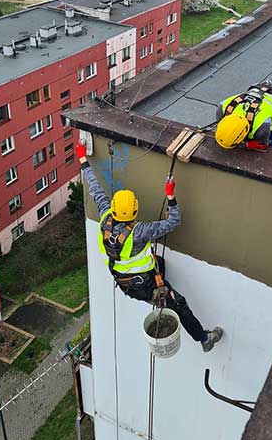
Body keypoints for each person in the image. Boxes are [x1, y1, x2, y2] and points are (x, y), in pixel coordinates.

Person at [75, 141, 223, 353]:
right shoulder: (140, 231)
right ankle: (204, 338)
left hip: (124, 282)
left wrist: (83, 159)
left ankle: (160, 286)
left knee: (159, 263)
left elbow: (94, 187)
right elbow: (174, 222)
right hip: (143, 286)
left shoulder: (105, 215)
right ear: (135, 210)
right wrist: (170, 196)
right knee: (178, 303)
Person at [215, 81, 272, 151]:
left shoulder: (261, 127)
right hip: (261, 92)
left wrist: (245, 145)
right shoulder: (223, 109)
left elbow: (262, 145)